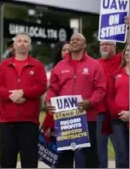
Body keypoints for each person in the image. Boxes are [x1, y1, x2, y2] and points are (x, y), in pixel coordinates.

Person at [45, 33, 106, 168]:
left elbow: (101, 89)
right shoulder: (60, 66)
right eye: (72, 40)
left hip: (87, 117)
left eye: (78, 40)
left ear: (84, 45)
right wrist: (48, 102)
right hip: (65, 118)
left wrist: (89, 102)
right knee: (64, 156)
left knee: (90, 156)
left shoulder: (94, 65)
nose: (74, 41)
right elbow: (53, 89)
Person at [0, 32, 47, 168]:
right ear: (14, 46)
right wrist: (11, 95)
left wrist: (24, 92)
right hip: (7, 122)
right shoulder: (3, 66)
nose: (22, 44)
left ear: (30, 46)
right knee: (7, 161)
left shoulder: (37, 65)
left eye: (26, 41)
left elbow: (41, 86)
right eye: (19, 41)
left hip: (29, 122)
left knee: (29, 162)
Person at [106, 45, 129, 168]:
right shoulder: (116, 74)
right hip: (118, 120)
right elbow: (109, 96)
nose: (129, 53)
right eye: (127, 51)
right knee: (122, 156)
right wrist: (117, 112)